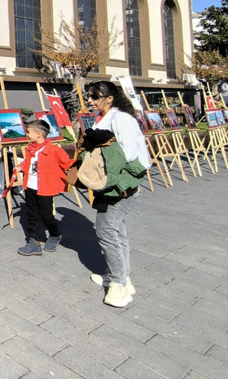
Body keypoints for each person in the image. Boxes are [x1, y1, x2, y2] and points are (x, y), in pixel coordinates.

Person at [84, 80, 150, 308]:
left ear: (109, 98)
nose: (90, 100)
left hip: (121, 183)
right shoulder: (106, 117)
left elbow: (128, 153)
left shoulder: (122, 118)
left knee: (107, 231)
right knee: (117, 230)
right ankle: (121, 276)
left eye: (95, 96)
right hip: (112, 182)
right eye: (89, 96)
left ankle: (119, 286)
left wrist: (103, 167)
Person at [14, 119, 72, 256]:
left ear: (39, 134)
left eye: (29, 132)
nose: (27, 135)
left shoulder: (53, 150)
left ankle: (55, 234)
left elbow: (68, 163)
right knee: (31, 215)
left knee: (47, 216)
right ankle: (34, 242)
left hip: (45, 188)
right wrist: (21, 167)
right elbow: (28, 162)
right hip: (30, 186)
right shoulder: (30, 148)